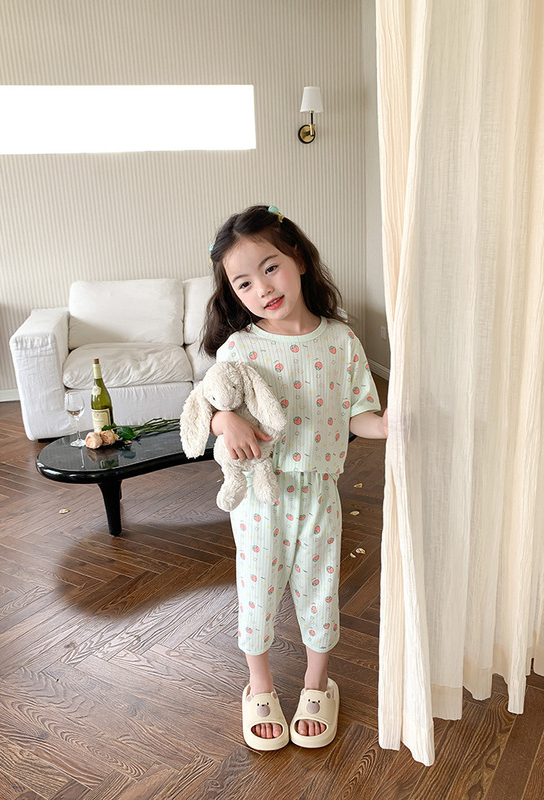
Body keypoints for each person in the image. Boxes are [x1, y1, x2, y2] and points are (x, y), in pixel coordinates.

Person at [201, 205, 388, 751]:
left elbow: (358, 413)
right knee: (257, 589)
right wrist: (224, 420)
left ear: (299, 259)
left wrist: (384, 425)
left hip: (320, 492)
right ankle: (258, 686)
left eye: (271, 267)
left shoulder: (341, 341)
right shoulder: (240, 347)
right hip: (260, 495)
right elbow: (209, 403)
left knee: (319, 589)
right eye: (243, 282)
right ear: (234, 293)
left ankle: (317, 683)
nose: (262, 288)